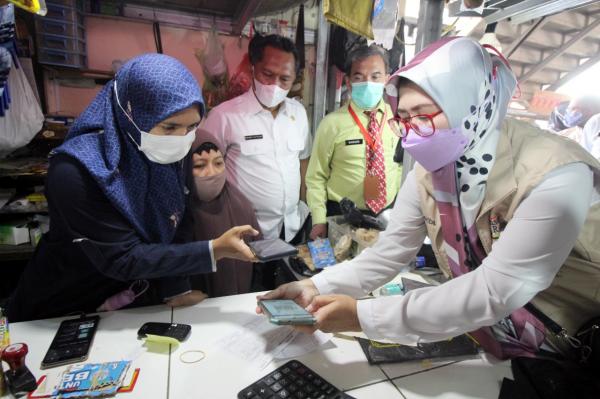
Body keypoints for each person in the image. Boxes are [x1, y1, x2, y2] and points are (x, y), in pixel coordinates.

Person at [259, 37, 600, 360]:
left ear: (469, 101)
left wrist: (363, 316)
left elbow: (495, 290)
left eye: (423, 114)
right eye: (403, 119)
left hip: (568, 351)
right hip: (495, 340)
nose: (410, 134)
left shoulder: (556, 173)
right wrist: (314, 285)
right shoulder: (432, 170)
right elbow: (388, 254)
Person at [7, 54, 258, 322]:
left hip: (135, 300)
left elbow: (177, 220)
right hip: (65, 305)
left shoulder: (171, 151)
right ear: (130, 112)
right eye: (170, 127)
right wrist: (212, 250)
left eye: (192, 127)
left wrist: (177, 288)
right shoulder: (76, 171)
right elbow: (122, 258)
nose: (182, 140)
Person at [201, 34, 312, 287]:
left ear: (295, 78)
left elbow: (302, 161)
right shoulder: (224, 116)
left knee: (289, 291)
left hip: (291, 227)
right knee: (248, 295)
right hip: (248, 233)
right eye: (267, 74)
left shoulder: (298, 113)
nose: (274, 85)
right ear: (253, 69)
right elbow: (204, 173)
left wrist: (307, 208)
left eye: (284, 78)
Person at [306, 45, 402, 240]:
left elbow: (401, 168)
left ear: (386, 79)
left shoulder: (399, 119)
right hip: (341, 217)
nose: (368, 83)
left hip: (387, 217)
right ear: (348, 82)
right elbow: (316, 177)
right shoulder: (331, 124)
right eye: (359, 77)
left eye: (375, 76)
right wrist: (318, 220)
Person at [177, 129, 262, 297]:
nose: (212, 172)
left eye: (218, 163)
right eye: (200, 165)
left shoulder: (239, 203)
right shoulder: (173, 212)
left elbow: (259, 256)